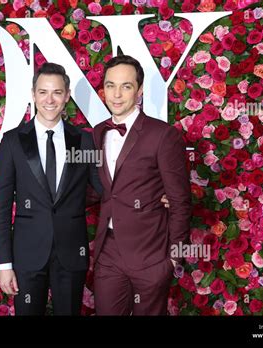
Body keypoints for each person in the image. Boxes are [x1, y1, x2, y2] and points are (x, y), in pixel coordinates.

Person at [0, 62, 102, 315]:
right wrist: (4, 264)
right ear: (33, 95)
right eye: (43, 92)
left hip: (71, 254)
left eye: (56, 92)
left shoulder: (83, 140)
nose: (49, 100)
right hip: (27, 256)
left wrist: (151, 196)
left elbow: (105, 188)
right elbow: (1, 206)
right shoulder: (13, 141)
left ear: (66, 96)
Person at [92, 55, 192, 315]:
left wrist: (172, 259)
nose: (116, 94)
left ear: (140, 90)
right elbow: (97, 190)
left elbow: (181, 201)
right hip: (109, 253)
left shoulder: (162, 135)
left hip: (151, 253)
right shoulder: (97, 133)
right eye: (110, 85)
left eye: (126, 86)